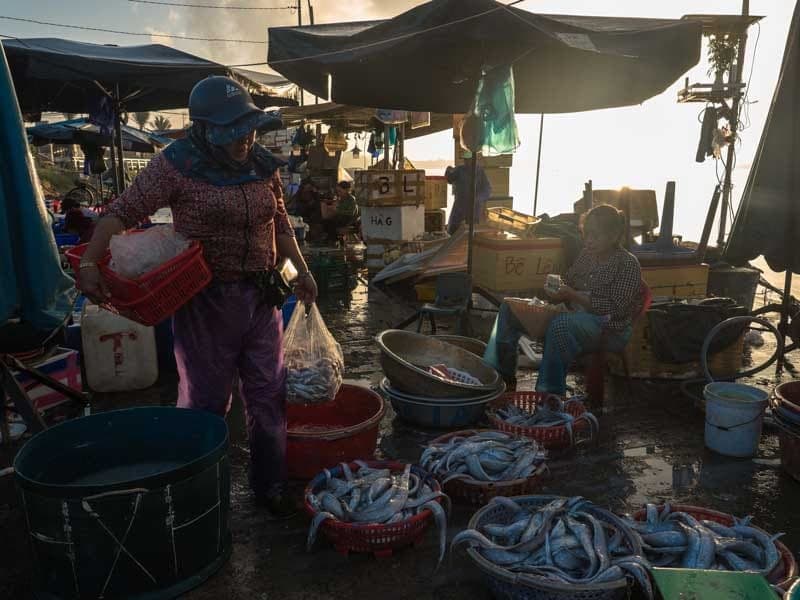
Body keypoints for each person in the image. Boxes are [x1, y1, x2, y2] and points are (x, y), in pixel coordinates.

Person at [78, 76, 318, 518]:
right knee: (207, 404)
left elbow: (279, 222)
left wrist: (301, 269)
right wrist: (90, 262)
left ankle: (271, 485)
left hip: (263, 299)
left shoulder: (263, 164)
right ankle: (198, 490)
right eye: (232, 130)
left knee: (269, 396)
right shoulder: (175, 165)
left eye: (248, 127)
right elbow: (122, 212)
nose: (244, 138)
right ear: (205, 129)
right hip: (206, 302)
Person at [483, 204, 643, 395]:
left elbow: (616, 310)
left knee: (561, 325)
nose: (589, 241)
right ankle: (502, 378)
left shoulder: (627, 263)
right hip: (575, 315)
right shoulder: (587, 255)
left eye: (596, 236)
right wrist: (556, 288)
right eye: (586, 235)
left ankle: (550, 394)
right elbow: (569, 278)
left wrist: (574, 295)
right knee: (509, 308)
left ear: (614, 236)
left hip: (609, 328)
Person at [445, 163, 492, 235]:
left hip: (469, 210)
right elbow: (449, 179)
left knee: (462, 231)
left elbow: (487, 190)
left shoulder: (477, 170)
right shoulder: (461, 169)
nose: (466, 161)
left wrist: (477, 199)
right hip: (464, 209)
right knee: (457, 230)